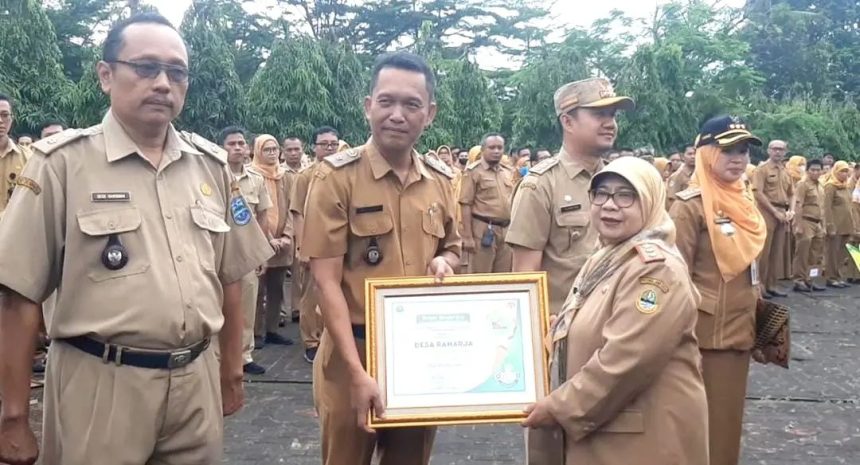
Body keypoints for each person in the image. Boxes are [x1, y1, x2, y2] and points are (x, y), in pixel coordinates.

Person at [0, 13, 273, 465]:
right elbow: (16, 295)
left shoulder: (210, 167)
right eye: (146, 68)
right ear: (106, 75)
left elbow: (231, 275)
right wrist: (12, 415)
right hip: (101, 384)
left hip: (195, 382)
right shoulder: (61, 164)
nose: (164, 83)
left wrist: (232, 371)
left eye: (177, 72)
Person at [303, 52, 460, 465]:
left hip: (420, 355)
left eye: (411, 105)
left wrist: (446, 262)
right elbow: (325, 282)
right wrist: (357, 374)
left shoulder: (441, 182)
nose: (397, 114)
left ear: (430, 114)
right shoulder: (335, 178)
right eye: (386, 101)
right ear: (368, 105)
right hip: (352, 350)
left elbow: (453, 247)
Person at [523, 157, 708, 465]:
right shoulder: (608, 255)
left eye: (625, 195)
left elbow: (626, 359)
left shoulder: (657, 270)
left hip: (639, 439)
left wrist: (559, 407)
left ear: (649, 202)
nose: (609, 205)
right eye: (601, 194)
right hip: (607, 427)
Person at [669, 115, 766, 465]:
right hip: (704, 336)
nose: (737, 158)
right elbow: (673, 278)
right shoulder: (689, 206)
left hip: (741, 329)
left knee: (727, 424)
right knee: (702, 428)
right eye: (727, 150)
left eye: (742, 150)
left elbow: (751, 269)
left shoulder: (744, 200)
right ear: (706, 153)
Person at [507, 77, 634, 315]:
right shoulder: (539, 185)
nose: (610, 123)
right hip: (564, 328)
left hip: (616, 323)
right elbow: (525, 277)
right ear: (568, 121)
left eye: (613, 115)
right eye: (599, 115)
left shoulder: (618, 180)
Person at [220, 126, 273, 374]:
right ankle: (219, 355)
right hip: (218, 250)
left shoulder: (256, 180)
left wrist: (260, 250)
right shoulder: (213, 174)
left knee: (248, 303)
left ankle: (244, 356)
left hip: (246, 251)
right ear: (222, 147)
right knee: (217, 303)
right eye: (232, 144)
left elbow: (262, 215)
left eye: (241, 143)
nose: (238, 148)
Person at [289, 126, 339, 363]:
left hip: (338, 244)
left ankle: (331, 336)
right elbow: (297, 213)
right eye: (324, 144)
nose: (329, 148)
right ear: (314, 147)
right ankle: (311, 341)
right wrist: (302, 247)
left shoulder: (344, 173)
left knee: (334, 292)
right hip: (314, 244)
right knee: (311, 295)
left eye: (333, 144)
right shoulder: (305, 176)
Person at [249, 134, 295, 347]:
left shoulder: (285, 176)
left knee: (277, 288)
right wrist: (267, 239)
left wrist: (286, 236)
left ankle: (273, 329)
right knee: (257, 290)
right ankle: (256, 334)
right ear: (258, 151)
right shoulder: (251, 175)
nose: (271, 153)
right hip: (260, 240)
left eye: (275, 149)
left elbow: (292, 209)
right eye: (267, 149)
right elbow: (256, 213)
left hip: (282, 243)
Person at [459, 133, 515, 273]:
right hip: (483, 229)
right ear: (483, 149)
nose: (496, 151)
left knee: (504, 276)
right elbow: (465, 204)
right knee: (481, 274)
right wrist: (467, 237)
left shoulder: (507, 172)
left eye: (500, 148)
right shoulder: (473, 172)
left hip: (506, 230)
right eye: (492, 147)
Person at [752, 139, 793, 297]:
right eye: (775, 149)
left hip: (783, 212)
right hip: (766, 211)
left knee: (777, 251)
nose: (778, 152)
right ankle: (760, 286)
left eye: (781, 149)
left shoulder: (785, 170)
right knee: (764, 251)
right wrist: (774, 212)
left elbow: (792, 192)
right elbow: (758, 192)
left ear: (785, 152)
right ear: (768, 151)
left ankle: (772, 284)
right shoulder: (762, 169)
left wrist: (792, 211)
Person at [790, 158, 826, 293]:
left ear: (822, 171)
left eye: (818, 170)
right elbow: (798, 204)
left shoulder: (820, 186)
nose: (816, 172)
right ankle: (799, 280)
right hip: (806, 221)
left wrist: (823, 225)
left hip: (817, 223)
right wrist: (797, 224)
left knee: (815, 254)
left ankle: (810, 280)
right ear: (807, 170)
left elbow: (822, 207)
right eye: (813, 170)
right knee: (802, 253)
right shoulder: (803, 184)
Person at [282, 136, 305, 323]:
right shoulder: (279, 173)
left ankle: (299, 309)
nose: (293, 153)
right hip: (283, 226)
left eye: (296, 149)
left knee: (301, 270)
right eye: (289, 149)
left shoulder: (308, 172)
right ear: (283, 151)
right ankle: (282, 312)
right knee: (282, 272)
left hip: (305, 223)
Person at [823, 161, 855, 288]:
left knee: (842, 253)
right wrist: (829, 225)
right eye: (842, 171)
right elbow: (826, 208)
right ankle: (831, 277)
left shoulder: (845, 186)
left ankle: (838, 276)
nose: (845, 174)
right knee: (832, 253)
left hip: (846, 225)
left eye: (847, 171)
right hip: (835, 225)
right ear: (835, 171)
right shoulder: (830, 186)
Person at [0, 93, 30, 215]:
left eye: (5, 115)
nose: (0, 121)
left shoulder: (28, 158)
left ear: (12, 119)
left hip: (15, 230)